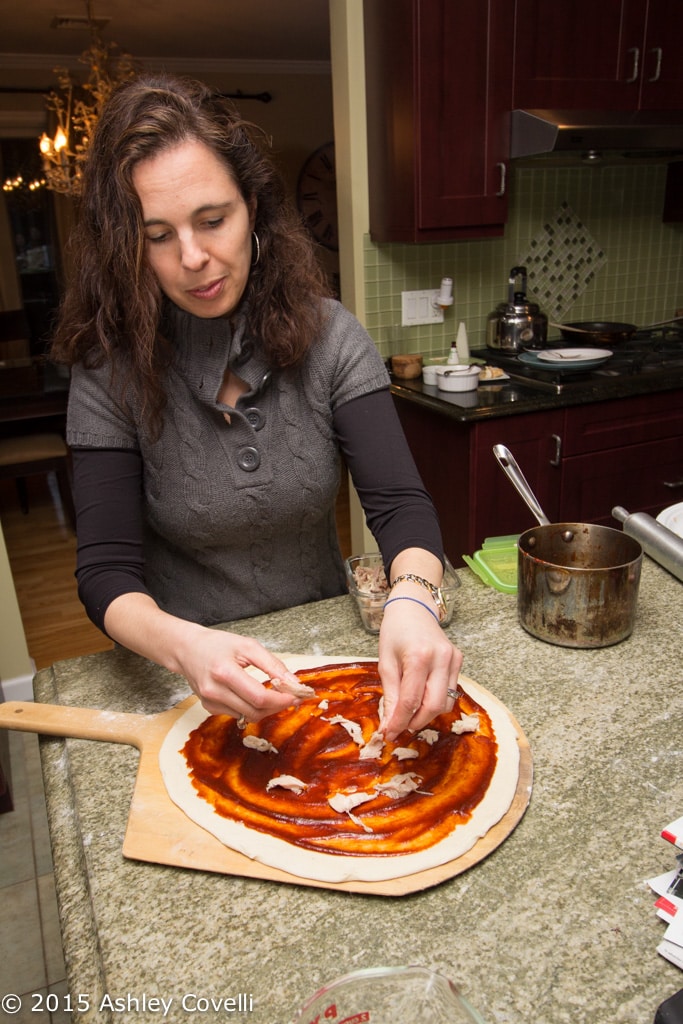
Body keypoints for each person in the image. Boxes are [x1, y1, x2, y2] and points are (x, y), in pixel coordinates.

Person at [52, 73, 463, 740]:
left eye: (213, 220)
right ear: (127, 247)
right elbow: (105, 574)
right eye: (158, 235)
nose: (194, 257)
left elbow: (398, 506)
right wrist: (185, 647)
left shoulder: (332, 337)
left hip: (325, 652)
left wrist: (413, 600)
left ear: (254, 208)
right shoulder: (109, 370)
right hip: (186, 672)